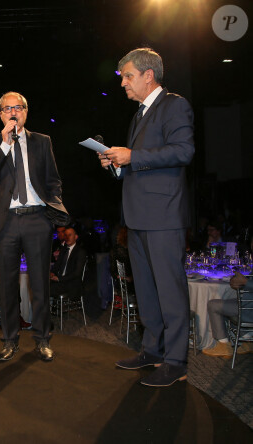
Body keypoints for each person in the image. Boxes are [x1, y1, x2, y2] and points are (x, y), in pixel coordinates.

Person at [99, 48, 195, 386]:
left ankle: (176, 361)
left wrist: (133, 156)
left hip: (164, 215)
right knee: (147, 291)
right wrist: (117, 166)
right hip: (137, 216)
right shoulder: (139, 114)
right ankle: (152, 351)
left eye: (128, 76)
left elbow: (184, 151)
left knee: (170, 290)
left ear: (148, 75)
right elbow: (140, 165)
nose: (123, 83)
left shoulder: (174, 105)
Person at [0, 91, 67, 362]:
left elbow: (53, 179)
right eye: (7, 108)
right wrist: (5, 145)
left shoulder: (42, 141)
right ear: (0, 114)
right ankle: (9, 340)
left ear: (26, 112)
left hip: (37, 219)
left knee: (40, 285)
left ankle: (42, 339)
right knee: (7, 285)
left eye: (17, 107)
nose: (13, 112)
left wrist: (53, 205)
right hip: (6, 222)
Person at [202, 271, 253, 357]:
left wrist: (245, 281)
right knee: (226, 303)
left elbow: (246, 281)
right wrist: (239, 281)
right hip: (247, 302)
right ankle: (247, 339)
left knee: (213, 305)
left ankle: (224, 345)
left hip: (249, 308)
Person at [50, 228, 86, 300]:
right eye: (66, 235)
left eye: (70, 235)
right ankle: (51, 309)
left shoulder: (80, 252)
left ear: (76, 237)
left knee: (46, 289)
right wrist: (52, 273)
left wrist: (59, 278)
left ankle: (50, 309)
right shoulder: (64, 250)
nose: (67, 237)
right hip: (61, 282)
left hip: (72, 283)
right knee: (42, 285)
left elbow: (77, 273)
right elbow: (57, 265)